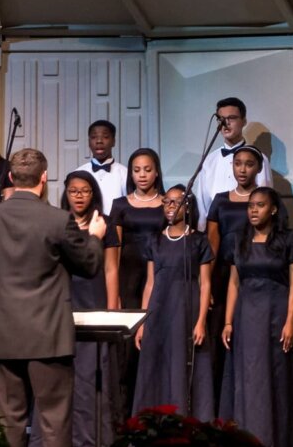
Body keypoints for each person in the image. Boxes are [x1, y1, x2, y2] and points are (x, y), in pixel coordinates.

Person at [0, 148, 106, 447]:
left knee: (10, 421)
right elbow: (90, 265)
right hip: (48, 334)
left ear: (11, 178)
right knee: (55, 420)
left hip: (4, 333)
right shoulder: (58, 220)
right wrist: (94, 236)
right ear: (44, 179)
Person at [29, 170, 120, 447]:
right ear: (65, 193)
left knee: (89, 376)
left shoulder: (104, 225)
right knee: (57, 377)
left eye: (84, 190)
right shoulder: (57, 224)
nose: (79, 196)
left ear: (93, 193)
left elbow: (110, 270)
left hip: (93, 301)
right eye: (73, 191)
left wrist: (110, 310)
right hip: (62, 303)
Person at [220, 187, 293, 447]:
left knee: (277, 379)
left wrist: (290, 322)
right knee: (248, 380)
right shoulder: (239, 240)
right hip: (246, 315)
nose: (253, 210)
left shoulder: (289, 239)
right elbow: (234, 283)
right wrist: (227, 321)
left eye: (260, 205)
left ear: (273, 209)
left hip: (276, 314)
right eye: (250, 206)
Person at [134, 185, 215, 420]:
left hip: (186, 308)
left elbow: (205, 284)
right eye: (166, 202)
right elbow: (149, 283)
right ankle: (152, 423)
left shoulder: (198, 241)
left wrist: (201, 322)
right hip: (159, 309)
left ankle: (187, 422)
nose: (170, 207)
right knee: (157, 364)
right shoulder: (155, 241)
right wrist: (142, 322)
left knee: (184, 362)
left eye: (175, 202)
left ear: (187, 205)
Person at [206, 144, 269, 405]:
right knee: (221, 332)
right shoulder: (221, 199)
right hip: (223, 273)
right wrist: (206, 283)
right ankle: (222, 403)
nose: (242, 169)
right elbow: (211, 241)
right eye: (238, 163)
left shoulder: (265, 200)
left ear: (258, 168)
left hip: (255, 271)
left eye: (249, 164)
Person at [192, 97, 273, 230]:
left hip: (248, 226)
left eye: (232, 118)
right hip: (216, 229)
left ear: (244, 121)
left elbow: (265, 198)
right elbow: (203, 203)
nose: (226, 123)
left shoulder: (259, 158)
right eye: (221, 119)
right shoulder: (209, 160)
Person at [110, 148, 166, 309]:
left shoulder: (167, 204)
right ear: (131, 174)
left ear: (156, 173)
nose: (142, 175)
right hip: (128, 272)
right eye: (137, 170)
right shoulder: (120, 204)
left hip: (158, 269)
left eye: (147, 170)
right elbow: (115, 247)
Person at [76, 120, 128, 216]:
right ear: (88, 142)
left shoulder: (125, 174)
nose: (99, 141)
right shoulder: (78, 173)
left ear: (113, 141)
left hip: (116, 228)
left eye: (105, 137)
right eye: (94, 137)